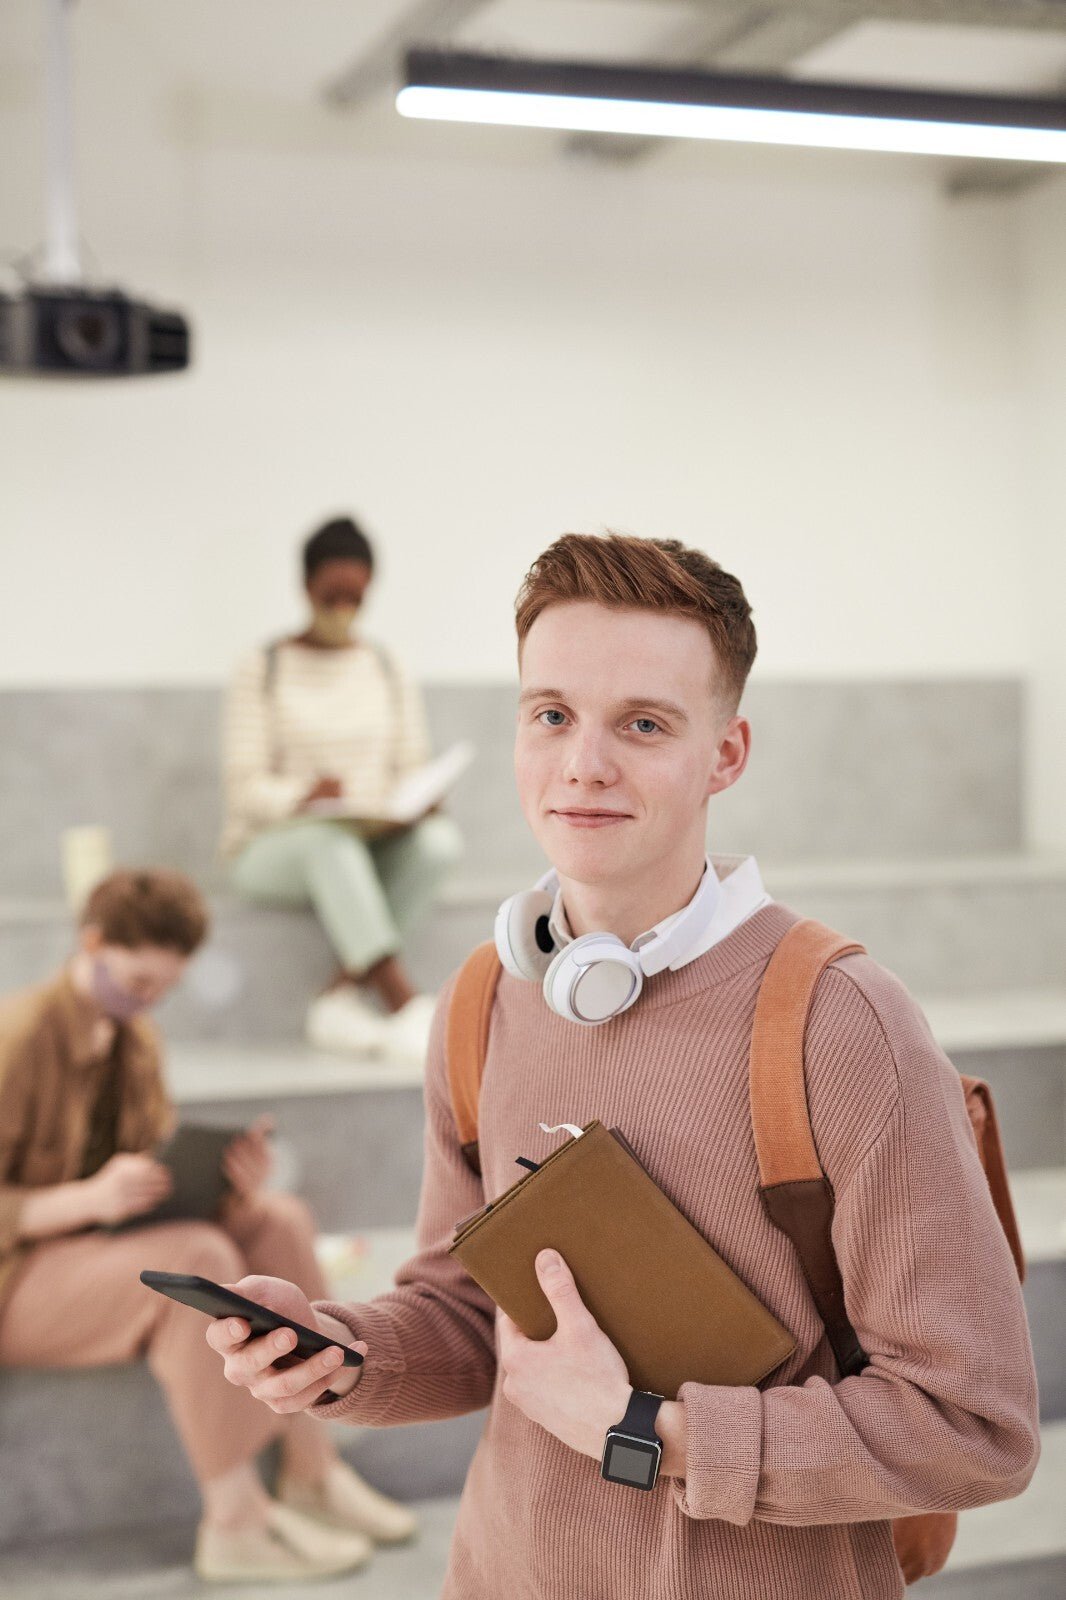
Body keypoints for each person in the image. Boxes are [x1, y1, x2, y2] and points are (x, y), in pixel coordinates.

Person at [204, 533, 1040, 1599]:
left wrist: (651, 1432)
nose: (581, 764)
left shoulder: (842, 1021)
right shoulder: (478, 1002)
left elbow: (973, 1426)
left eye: (641, 724)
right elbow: (471, 1312)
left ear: (726, 754)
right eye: (550, 714)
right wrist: (342, 1349)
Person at [0, 868, 417, 1584]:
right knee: (197, 1254)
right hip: (21, 1272)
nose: (148, 999)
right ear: (92, 942)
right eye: (137, 981)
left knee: (277, 1221)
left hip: (93, 1250)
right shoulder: (19, 1035)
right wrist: (89, 1199)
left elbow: (154, 1178)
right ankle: (233, 1521)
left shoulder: (137, 1040)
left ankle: (312, 1470)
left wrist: (228, 1185)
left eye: (164, 986)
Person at [222, 514, 464, 1062]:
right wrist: (302, 798)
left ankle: (338, 993)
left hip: (367, 838)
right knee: (329, 843)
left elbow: (411, 763)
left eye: (355, 596)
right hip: (275, 849)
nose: (343, 608)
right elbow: (243, 789)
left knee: (440, 843)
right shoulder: (262, 667)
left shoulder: (385, 664)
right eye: (332, 594)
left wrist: (420, 799)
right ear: (306, 586)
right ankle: (403, 1001)